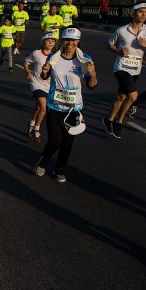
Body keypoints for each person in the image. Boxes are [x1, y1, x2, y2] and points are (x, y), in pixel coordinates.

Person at [34, 26, 97, 183]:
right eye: (67, 39)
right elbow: (44, 75)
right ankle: (44, 160)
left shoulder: (85, 59)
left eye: (73, 40)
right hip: (54, 106)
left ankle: (59, 169)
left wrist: (93, 74)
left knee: (67, 143)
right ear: (62, 41)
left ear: (78, 41)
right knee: (55, 141)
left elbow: (92, 85)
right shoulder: (54, 58)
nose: (70, 43)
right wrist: (44, 70)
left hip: (74, 109)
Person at [102, 2, 146, 138]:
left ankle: (108, 119)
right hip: (121, 67)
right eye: (140, 11)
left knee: (122, 96)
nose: (144, 14)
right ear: (132, 13)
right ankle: (119, 122)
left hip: (136, 69)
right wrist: (119, 52)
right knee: (133, 96)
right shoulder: (122, 30)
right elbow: (109, 44)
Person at [24, 33, 57, 142]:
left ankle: (32, 123)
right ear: (42, 42)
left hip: (49, 86)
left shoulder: (56, 56)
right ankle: (36, 129)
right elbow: (26, 62)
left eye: (53, 41)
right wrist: (28, 71)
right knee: (43, 108)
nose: (51, 43)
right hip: (36, 83)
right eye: (48, 41)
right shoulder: (36, 53)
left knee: (38, 108)